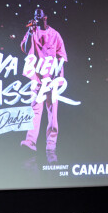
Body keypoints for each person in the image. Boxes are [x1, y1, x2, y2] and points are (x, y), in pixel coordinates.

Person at [20, 8, 67, 159]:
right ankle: (30, 142)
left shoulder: (55, 35)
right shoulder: (32, 32)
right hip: (37, 79)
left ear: (45, 17)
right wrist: (29, 32)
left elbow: (62, 56)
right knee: (34, 111)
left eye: (39, 16)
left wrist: (57, 76)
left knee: (52, 114)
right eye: (35, 16)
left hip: (51, 80)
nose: (37, 19)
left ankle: (51, 144)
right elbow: (25, 48)